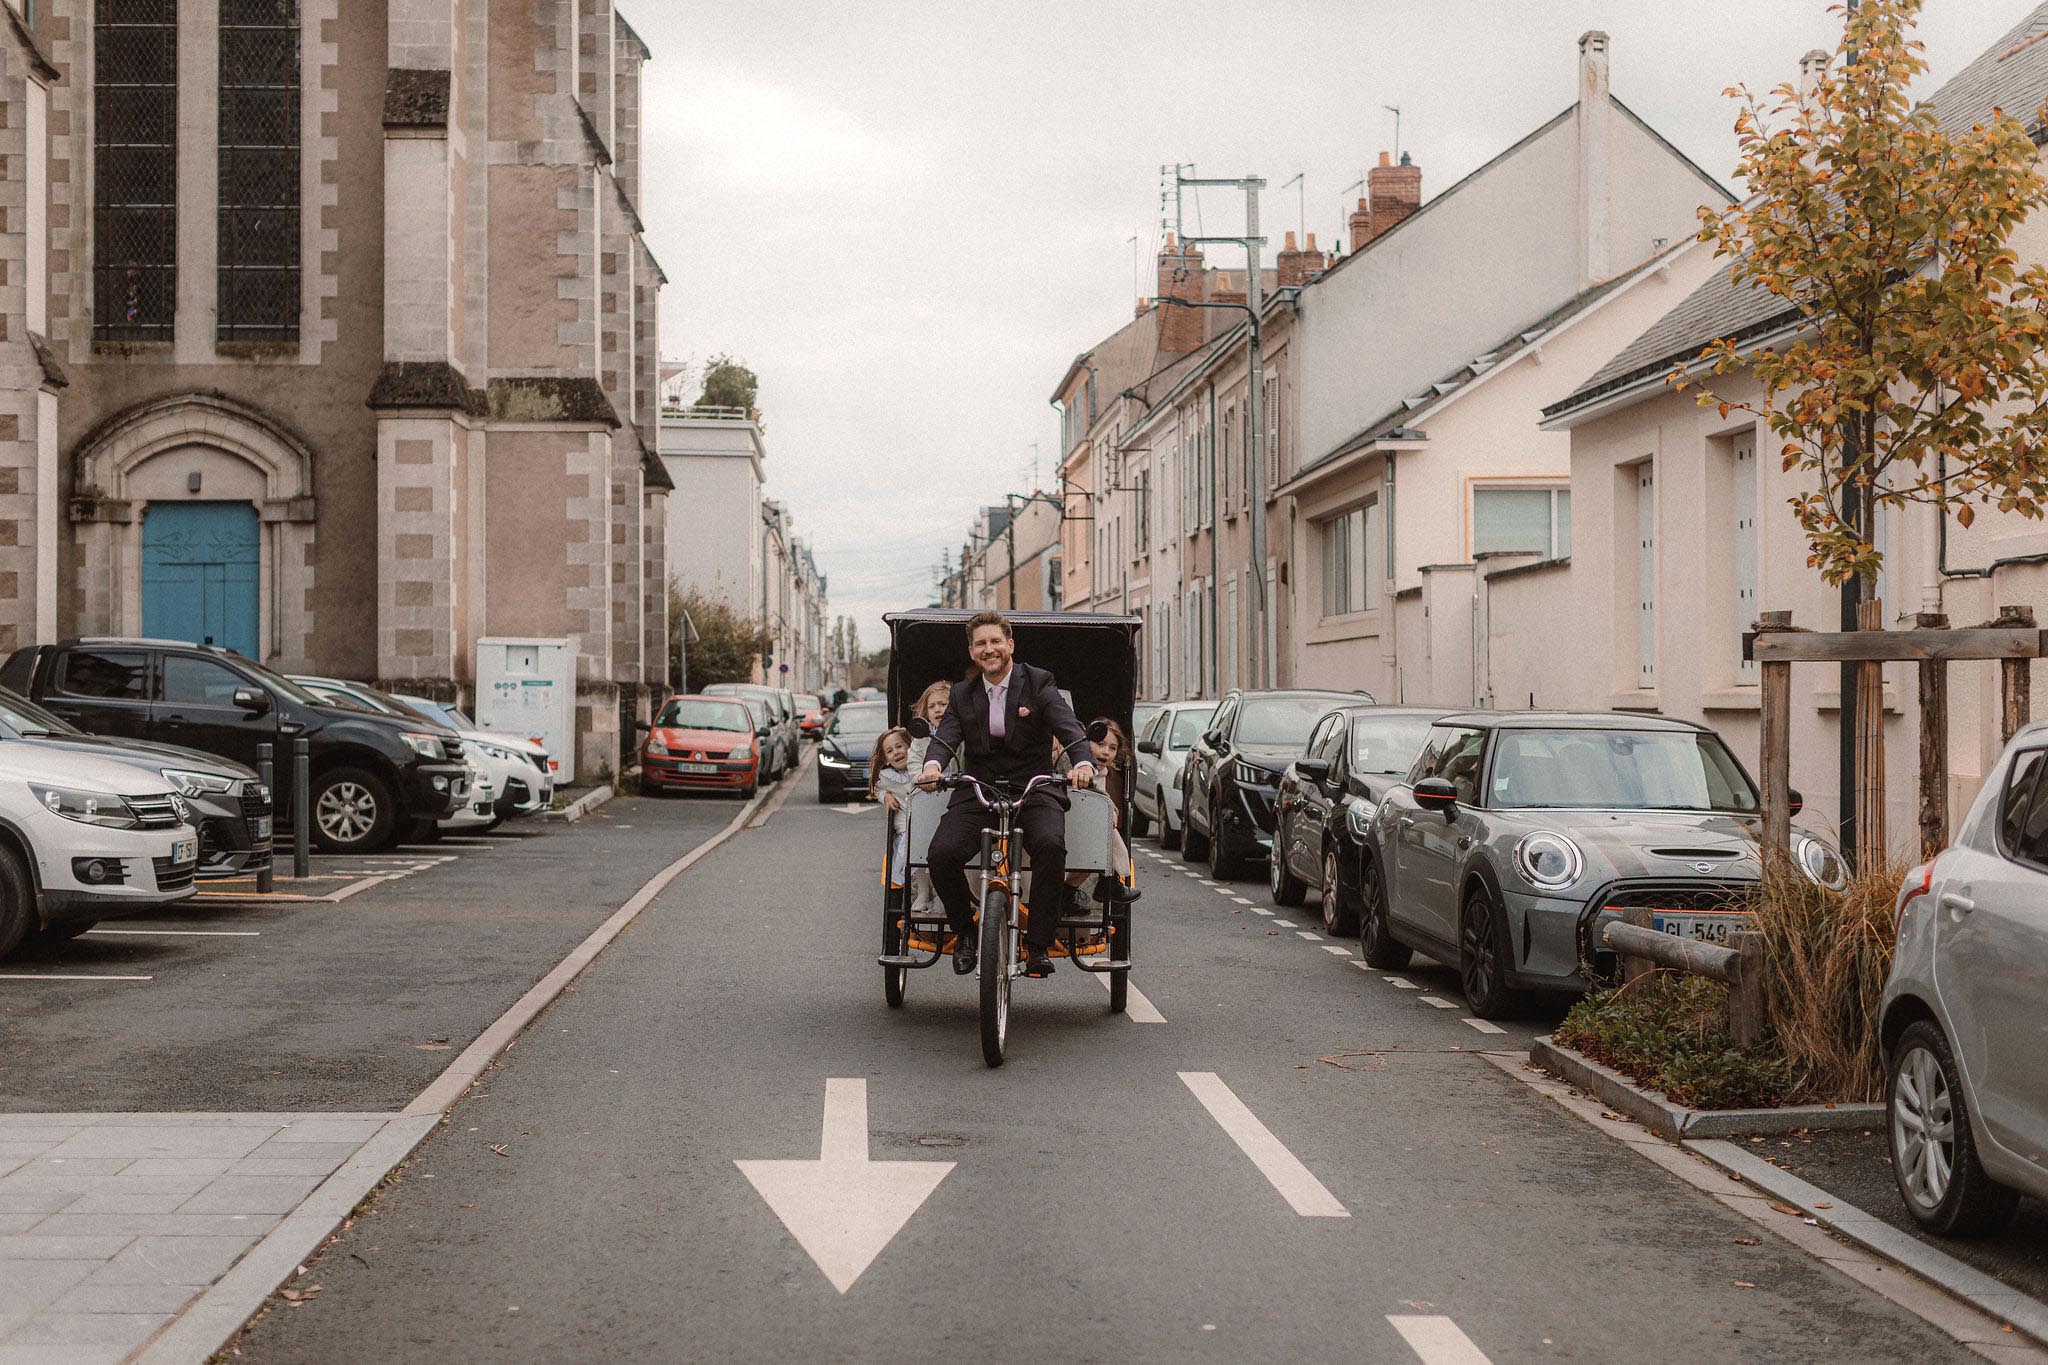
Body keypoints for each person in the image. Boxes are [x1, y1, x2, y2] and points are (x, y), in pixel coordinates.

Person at [919, 610, 1117, 978]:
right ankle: (965, 932)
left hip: (1034, 786)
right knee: (941, 853)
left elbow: (1067, 724)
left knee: (1050, 845)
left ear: (1010, 644)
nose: (989, 649)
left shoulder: (1038, 682)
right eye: (981, 643)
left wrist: (1084, 762)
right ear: (972, 651)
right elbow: (946, 737)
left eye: (996, 641)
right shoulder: (963, 694)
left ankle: (1038, 944)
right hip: (980, 788)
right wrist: (933, 765)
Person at [868, 726, 917, 893]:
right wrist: (886, 797)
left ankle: (927, 892)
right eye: (890, 751)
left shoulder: (921, 770)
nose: (896, 752)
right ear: (887, 759)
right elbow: (877, 789)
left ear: (910, 747)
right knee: (904, 854)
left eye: (900, 746)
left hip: (925, 823)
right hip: (904, 827)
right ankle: (912, 887)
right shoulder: (887, 777)